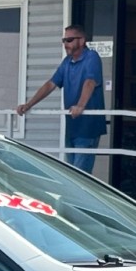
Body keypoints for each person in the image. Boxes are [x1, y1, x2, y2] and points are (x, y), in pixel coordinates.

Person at [17, 25, 107, 171]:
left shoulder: (92, 57)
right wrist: (29, 104)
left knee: (80, 175)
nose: (66, 44)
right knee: (72, 173)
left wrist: (80, 105)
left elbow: (90, 82)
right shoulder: (67, 62)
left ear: (82, 40)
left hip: (88, 127)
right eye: (64, 40)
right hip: (72, 127)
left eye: (69, 40)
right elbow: (51, 84)